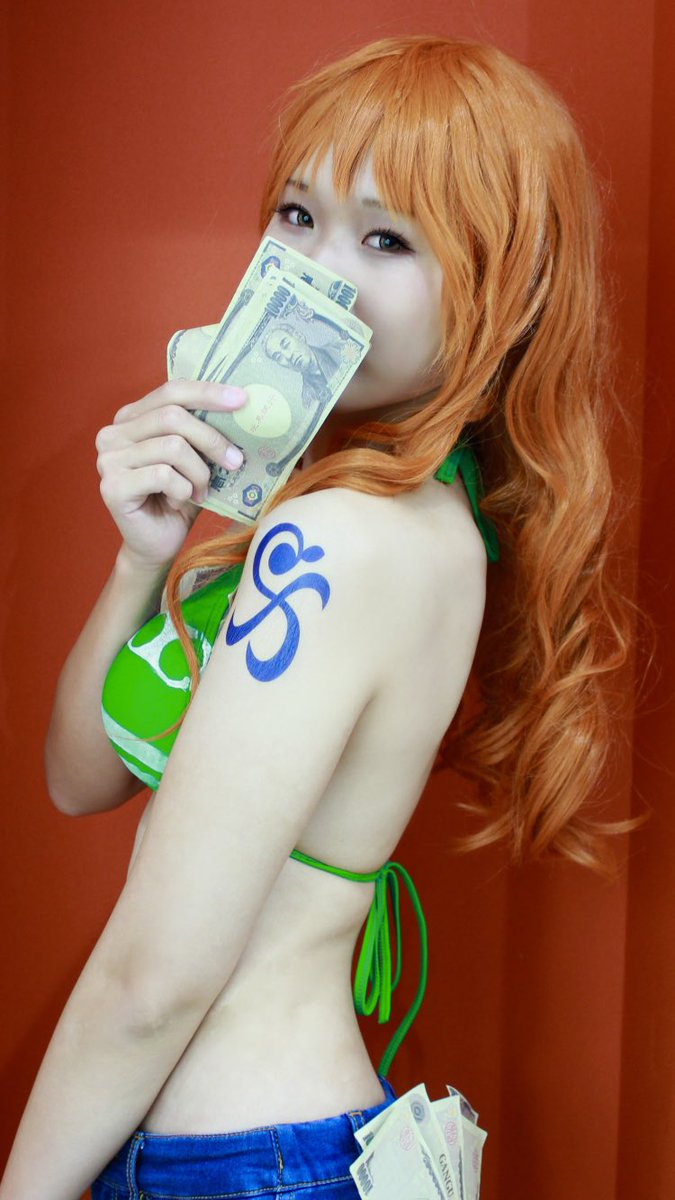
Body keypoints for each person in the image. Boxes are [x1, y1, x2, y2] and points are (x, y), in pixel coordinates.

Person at [0, 33, 634, 1200]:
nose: (317, 278)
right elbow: (82, 780)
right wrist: (145, 558)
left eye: (387, 239)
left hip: (241, 1164)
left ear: (503, 293)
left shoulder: (341, 540)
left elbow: (155, 976)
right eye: (297, 216)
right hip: (264, 1154)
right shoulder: (389, 517)